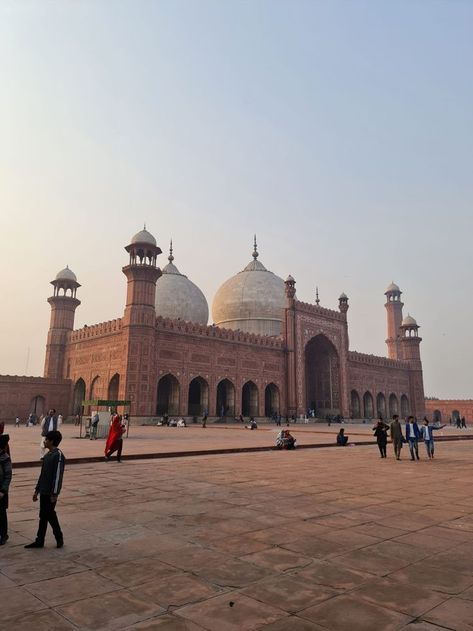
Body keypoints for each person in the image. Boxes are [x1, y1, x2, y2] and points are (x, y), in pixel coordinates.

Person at [25, 430, 65, 549]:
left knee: (49, 515)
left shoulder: (58, 456)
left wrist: (55, 493)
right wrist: (37, 490)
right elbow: (42, 474)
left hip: (50, 492)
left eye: (46, 439)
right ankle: (40, 540)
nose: (45, 441)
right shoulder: (48, 455)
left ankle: (57, 537)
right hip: (43, 490)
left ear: (52, 441)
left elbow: (58, 476)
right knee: (44, 515)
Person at [0, 434, 12, 545]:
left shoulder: (5, 458)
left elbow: (8, 476)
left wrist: (3, 491)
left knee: (2, 513)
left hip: (1, 492)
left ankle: (4, 535)